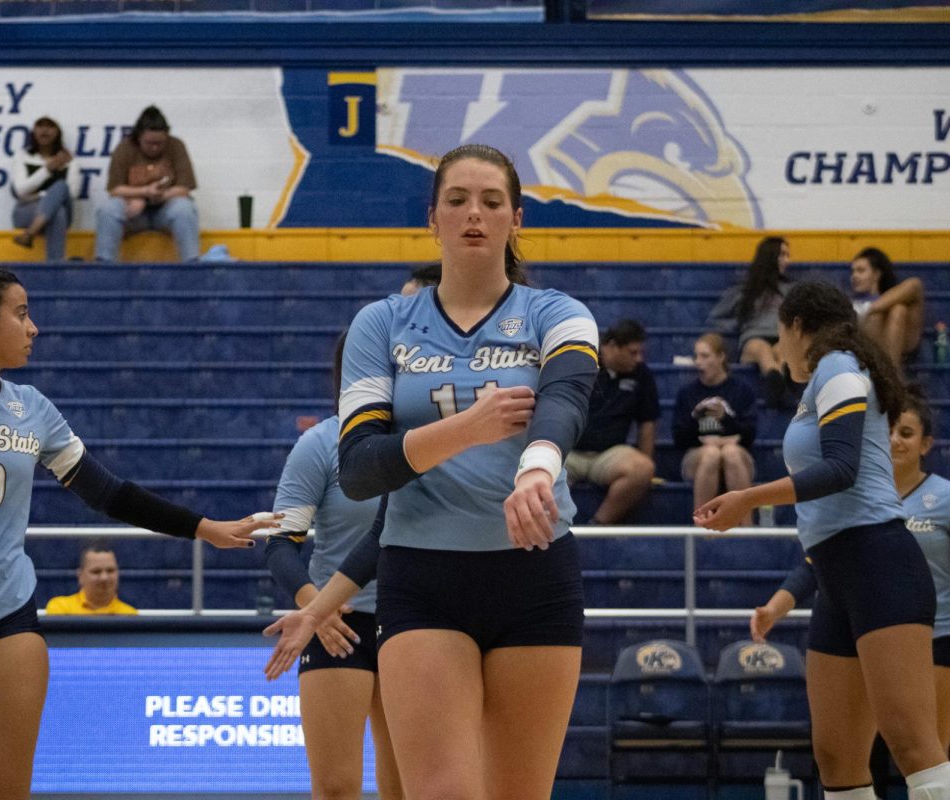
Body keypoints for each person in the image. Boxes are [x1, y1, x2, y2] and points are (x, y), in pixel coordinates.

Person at [0, 266, 277, 799]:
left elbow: (107, 491)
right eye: (20, 314)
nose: (33, 327)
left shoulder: (31, 408)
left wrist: (204, 528)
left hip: (4, 617)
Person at [265, 143, 600, 800]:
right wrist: (466, 430)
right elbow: (361, 472)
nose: (474, 213)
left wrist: (536, 466)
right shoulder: (381, 324)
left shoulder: (557, 313)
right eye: (457, 200)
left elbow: (565, 398)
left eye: (491, 201)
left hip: (536, 574)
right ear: (433, 218)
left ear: (517, 218)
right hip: (422, 577)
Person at [695, 281, 950, 800]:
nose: (778, 348)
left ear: (795, 327)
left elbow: (840, 468)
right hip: (838, 577)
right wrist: (783, 599)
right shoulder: (821, 386)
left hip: (880, 565)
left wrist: (747, 498)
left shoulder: (835, 364)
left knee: (912, 745)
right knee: (836, 756)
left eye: (779, 335)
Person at [754, 385, 950, 754]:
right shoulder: (858, 496)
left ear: (926, 444)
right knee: (853, 751)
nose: (895, 441)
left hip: (936, 637)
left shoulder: (943, 498)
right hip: (865, 631)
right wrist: (775, 607)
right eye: (888, 431)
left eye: (906, 433)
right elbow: (818, 562)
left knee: (928, 748)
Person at [264, 332, 402, 800]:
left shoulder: (424, 439)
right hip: (338, 625)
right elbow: (281, 545)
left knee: (407, 785)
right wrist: (316, 609)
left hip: (414, 620)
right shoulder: (320, 444)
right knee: (337, 787)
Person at [565, 318, 658, 525]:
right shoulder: (579, 364)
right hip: (569, 451)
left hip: (609, 454)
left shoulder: (641, 375)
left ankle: (598, 524)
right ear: (613, 347)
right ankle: (549, 535)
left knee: (642, 468)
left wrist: (647, 463)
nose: (638, 359)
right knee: (538, 469)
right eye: (633, 352)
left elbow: (647, 423)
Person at [94, 105, 200, 263]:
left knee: (185, 208)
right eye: (150, 143)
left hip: (165, 211)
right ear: (138, 137)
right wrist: (144, 192)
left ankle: (191, 265)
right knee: (108, 209)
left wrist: (155, 196)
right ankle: (105, 265)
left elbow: (184, 188)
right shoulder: (125, 148)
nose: (155, 148)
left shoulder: (176, 146)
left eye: (160, 143)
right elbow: (115, 190)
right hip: (133, 213)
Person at [672, 332, 757, 526]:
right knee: (711, 454)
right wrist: (699, 419)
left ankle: (747, 527)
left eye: (705, 356)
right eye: (696, 356)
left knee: (731, 453)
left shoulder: (742, 390)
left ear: (721, 357)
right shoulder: (687, 393)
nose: (698, 362)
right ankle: (702, 525)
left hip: (737, 455)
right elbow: (679, 438)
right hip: (698, 456)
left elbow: (749, 435)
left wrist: (725, 419)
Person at [707, 236, 794, 408]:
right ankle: (776, 379)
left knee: (781, 350)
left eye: (787, 255)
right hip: (754, 339)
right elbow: (715, 318)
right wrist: (739, 324)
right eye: (782, 255)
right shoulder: (745, 290)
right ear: (770, 257)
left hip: (781, 338)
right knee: (762, 349)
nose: (787, 261)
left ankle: (781, 382)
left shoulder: (791, 290)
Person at [10, 116, 81, 261]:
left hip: (56, 210)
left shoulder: (68, 160)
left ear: (58, 132)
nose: (44, 130)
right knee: (58, 211)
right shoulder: (23, 156)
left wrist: (38, 195)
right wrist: (48, 169)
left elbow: (72, 193)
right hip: (26, 212)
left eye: (50, 126)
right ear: (34, 131)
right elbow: (20, 190)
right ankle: (55, 266)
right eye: (40, 126)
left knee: (61, 188)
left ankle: (30, 234)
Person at [850, 247, 926, 367]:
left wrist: (869, 309)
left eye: (860, 271)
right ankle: (892, 373)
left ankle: (866, 310)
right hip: (869, 351)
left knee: (899, 308)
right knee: (887, 312)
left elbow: (915, 286)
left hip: (904, 347)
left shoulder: (894, 297)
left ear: (876, 274)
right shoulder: (850, 301)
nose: (854, 276)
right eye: (853, 271)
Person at [45, 540, 137, 615]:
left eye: (110, 570)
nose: (104, 578)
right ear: (80, 576)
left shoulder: (130, 614)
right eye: (96, 571)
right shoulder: (60, 608)